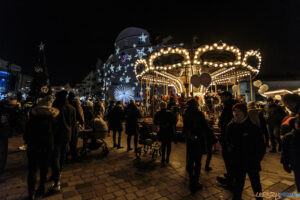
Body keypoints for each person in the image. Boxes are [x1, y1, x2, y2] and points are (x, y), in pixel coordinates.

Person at [226, 103, 266, 200]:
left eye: (239, 111)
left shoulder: (252, 127)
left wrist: (257, 159)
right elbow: (227, 142)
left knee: (256, 184)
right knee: (238, 185)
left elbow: (261, 146)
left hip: (252, 161)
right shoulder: (230, 127)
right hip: (237, 162)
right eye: (234, 111)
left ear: (244, 112)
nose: (236, 113)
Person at [24, 96, 59, 199]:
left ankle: (31, 192)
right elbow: (56, 133)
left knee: (32, 170)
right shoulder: (52, 119)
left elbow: (26, 134)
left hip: (33, 146)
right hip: (47, 146)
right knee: (44, 169)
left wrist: (28, 141)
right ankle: (41, 188)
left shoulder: (33, 119)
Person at [51, 90, 76, 192]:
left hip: (56, 135)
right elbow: (74, 124)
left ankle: (56, 181)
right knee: (62, 155)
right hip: (67, 135)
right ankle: (59, 172)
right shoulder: (72, 108)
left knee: (55, 156)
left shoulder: (55, 108)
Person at [183, 98, 210, 193]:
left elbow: (185, 127)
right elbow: (205, 127)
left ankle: (191, 179)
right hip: (198, 139)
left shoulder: (186, 114)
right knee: (198, 161)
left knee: (190, 159)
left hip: (190, 139)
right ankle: (195, 181)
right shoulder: (199, 114)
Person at [217, 91, 238, 186]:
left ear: (227, 97)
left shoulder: (230, 106)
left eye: (222, 97)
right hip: (227, 133)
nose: (221, 98)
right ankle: (230, 175)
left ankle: (231, 178)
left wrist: (222, 124)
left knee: (228, 156)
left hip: (228, 135)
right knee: (228, 157)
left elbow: (226, 120)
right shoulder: (229, 105)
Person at [154, 101, 177, 166]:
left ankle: (163, 158)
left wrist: (160, 124)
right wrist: (168, 124)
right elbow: (174, 121)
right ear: (166, 106)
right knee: (169, 145)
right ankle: (167, 158)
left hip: (162, 131)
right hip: (169, 131)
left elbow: (155, 121)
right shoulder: (169, 113)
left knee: (163, 144)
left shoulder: (158, 113)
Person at [281, 117, 300, 192]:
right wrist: (285, 163)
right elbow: (285, 152)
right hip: (296, 164)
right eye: (297, 123)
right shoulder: (289, 136)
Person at [68, 92, 84, 162]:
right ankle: (74, 157)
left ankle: (69, 154)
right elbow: (77, 113)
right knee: (74, 141)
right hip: (73, 124)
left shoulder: (66, 102)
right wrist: (81, 121)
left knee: (68, 141)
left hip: (66, 125)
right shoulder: (74, 103)